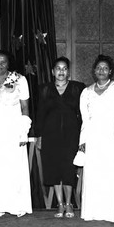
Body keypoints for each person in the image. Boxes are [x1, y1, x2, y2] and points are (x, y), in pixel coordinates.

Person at [0, 50, 32, 217]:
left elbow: (25, 107)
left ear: (9, 63)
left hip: (13, 131)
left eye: (3, 62)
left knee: (13, 167)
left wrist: (24, 132)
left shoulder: (19, 79)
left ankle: (15, 205)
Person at [35, 57, 84, 218]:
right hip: (50, 135)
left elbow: (83, 114)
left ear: (68, 71)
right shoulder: (44, 89)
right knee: (54, 168)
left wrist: (83, 137)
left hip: (72, 135)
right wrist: (39, 136)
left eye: (64, 68)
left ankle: (69, 203)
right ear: (52, 71)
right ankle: (59, 204)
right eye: (58, 68)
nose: (61, 71)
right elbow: (40, 114)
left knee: (69, 169)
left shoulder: (78, 88)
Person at [79, 55, 114, 222]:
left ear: (110, 71)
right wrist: (82, 142)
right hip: (93, 138)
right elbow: (84, 119)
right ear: (94, 71)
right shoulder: (86, 92)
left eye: (105, 68)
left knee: (111, 174)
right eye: (98, 68)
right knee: (94, 175)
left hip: (113, 138)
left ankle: (111, 213)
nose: (102, 71)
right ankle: (92, 211)